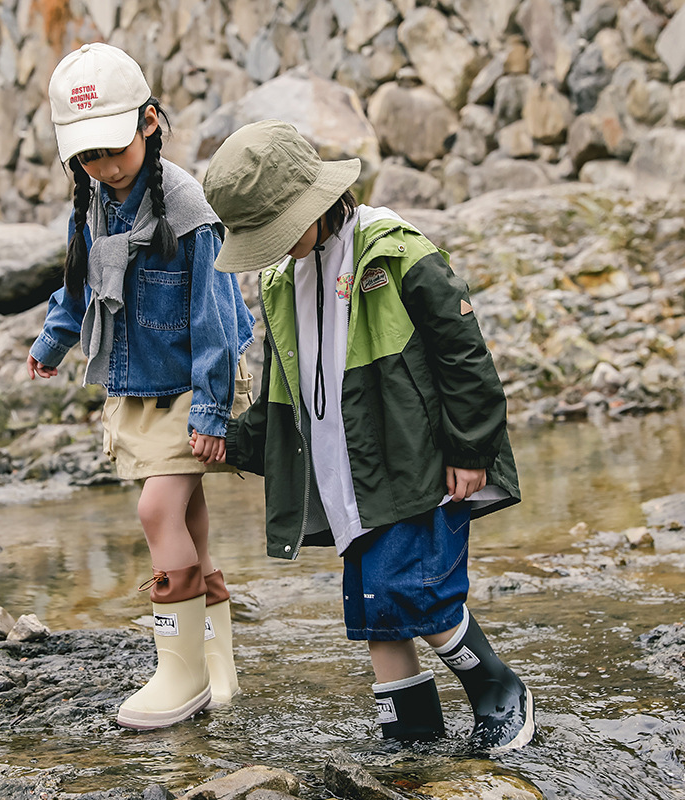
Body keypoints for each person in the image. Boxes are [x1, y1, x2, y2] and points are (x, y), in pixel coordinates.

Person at [195, 119, 534, 752]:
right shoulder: (279, 282)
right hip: (343, 476)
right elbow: (281, 398)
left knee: (415, 587)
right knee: (376, 607)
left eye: (273, 231)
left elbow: (464, 356)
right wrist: (230, 443)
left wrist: (471, 448)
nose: (269, 249)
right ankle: (410, 738)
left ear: (315, 204)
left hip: (415, 463)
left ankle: (497, 685)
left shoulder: (394, 250)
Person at [26, 43, 255, 730]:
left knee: (157, 513)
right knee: (187, 525)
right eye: (88, 156)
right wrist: (53, 343)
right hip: (140, 387)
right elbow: (79, 284)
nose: (103, 166)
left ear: (150, 122)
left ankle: (177, 674)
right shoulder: (94, 202)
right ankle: (218, 666)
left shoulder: (185, 206)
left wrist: (212, 412)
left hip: (193, 384)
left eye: (113, 150)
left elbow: (215, 316)